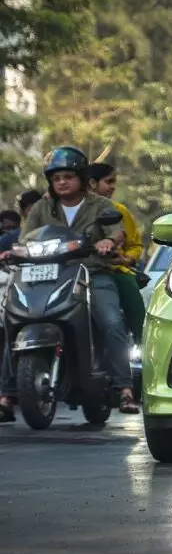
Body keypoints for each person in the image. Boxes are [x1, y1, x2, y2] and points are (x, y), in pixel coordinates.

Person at [0, 147, 138, 421]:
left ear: (81, 178)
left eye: (68, 176)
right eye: (56, 178)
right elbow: (25, 240)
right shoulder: (40, 207)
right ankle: (6, 395)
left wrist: (108, 242)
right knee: (14, 320)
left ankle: (125, 388)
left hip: (92, 273)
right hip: (46, 274)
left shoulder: (101, 205)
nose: (62, 182)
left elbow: (117, 231)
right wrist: (12, 251)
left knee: (110, 321)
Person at [87, 162, 146, 345]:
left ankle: (142, 344)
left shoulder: (120, 211)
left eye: (114, 182)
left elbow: (135, 244)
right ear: (91, 183)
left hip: (113, 270)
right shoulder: (73, 210)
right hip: (76, 269)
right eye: (109, 181)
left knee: (130, 289)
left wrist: (126, 259)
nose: (113, 187)